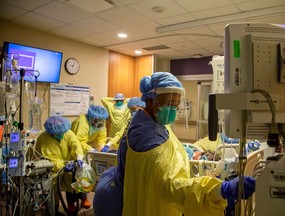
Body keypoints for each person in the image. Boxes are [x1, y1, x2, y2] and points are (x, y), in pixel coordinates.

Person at [93, 72, 256, 216]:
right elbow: (170, 186)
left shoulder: (153, 122)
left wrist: (183, 152)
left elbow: (167, 149)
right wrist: (219, 190)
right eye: (169, 104)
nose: (174, 109)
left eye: (176, 105)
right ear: (151, 100)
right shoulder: (146, 135)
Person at [35, 116, 85, 215]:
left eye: (63, 132)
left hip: (66, 164)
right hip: (50, 169)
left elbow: (76, 145)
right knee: (53, 191)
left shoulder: (67, 132)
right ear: (51, 133)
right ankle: (54, 211)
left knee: (72, 182)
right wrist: (62, 167)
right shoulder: (44, 139)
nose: (61, 135)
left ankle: (71, 204)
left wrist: (79, 157)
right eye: (58, 134)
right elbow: (51, 159)